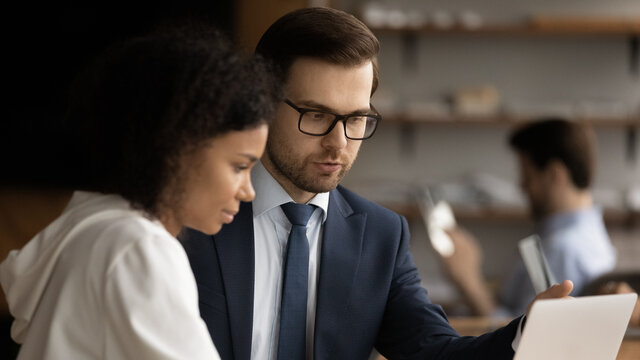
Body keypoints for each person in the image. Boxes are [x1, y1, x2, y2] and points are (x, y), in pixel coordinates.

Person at [180, 7, 572, 360]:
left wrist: (525, 333)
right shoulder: (190, 213)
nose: (339, 143)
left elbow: (434, 352)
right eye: (316, 115)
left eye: (356, 119)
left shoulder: (382, 235)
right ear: (262, 100)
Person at [0, 27, 277, 359]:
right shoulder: (138, 247)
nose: (248, 191)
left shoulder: (89, 226)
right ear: (176, 148)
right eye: (239, 166)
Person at [441, 119, 616, 317]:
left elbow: (525, 334)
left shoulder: (563, 247)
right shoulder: (582, 234)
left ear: (554, 175)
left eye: (527, 175)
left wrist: (469, 281)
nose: (521, 186)